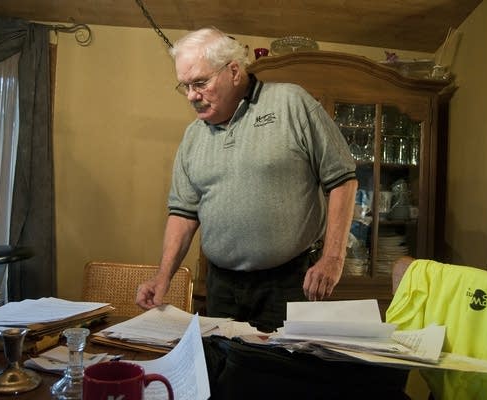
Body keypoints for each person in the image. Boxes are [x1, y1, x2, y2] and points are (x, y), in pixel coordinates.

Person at [136, 27, 358, 332]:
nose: (191, 96)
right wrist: (163, 277)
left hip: (289, 283)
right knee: (223, 374)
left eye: (200, 83)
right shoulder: (192, 137)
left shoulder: (291, 103)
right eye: (185, 86)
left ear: (234, 71)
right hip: (221, 287)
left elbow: (343, 180)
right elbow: (183, 213)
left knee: (282, 376)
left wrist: (334, 257)